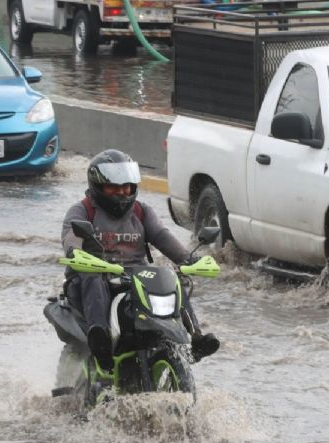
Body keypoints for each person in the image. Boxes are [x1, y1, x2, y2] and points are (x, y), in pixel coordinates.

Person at [61, 149, 220, 369]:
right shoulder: (82, 211)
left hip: (134, 279)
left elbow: (163, 237)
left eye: (126, 187)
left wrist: (189, 260)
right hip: (94, 276)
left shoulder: (141, 212)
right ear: (97, 186)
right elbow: (71, 238)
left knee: (173, 277)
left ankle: (195, 336)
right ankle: (100, 336)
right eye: (113, 188)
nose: (122, 193)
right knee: (93, 276)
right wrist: (75, 253)